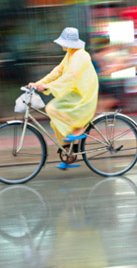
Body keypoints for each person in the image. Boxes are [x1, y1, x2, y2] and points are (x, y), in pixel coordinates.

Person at [29, 27, 99, 169]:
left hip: (83, 95)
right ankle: (69, 152)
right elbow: (57, 71)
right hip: (74, 93)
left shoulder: (81, 55)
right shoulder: (69, 54)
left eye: (63, 41)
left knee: (51, 108)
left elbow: (70, 76)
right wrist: (38, 84)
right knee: (55, 123)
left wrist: (49, 87)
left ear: (70, 43)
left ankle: (79, 126)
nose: (61, 44)